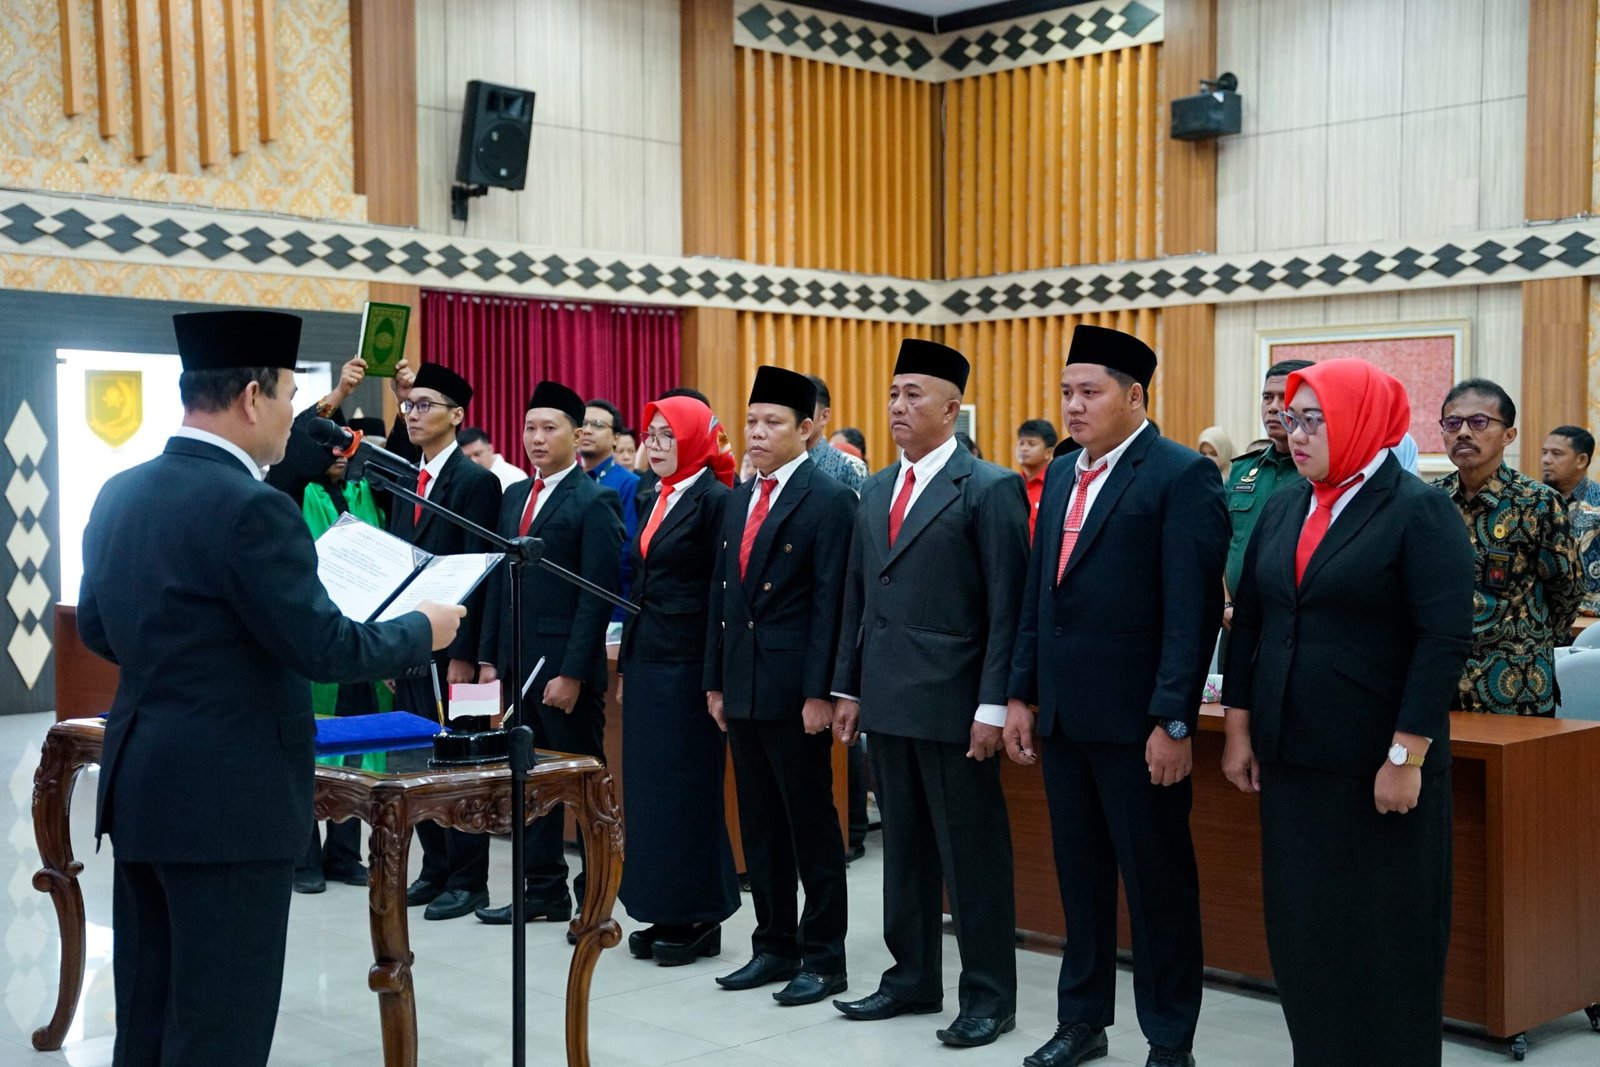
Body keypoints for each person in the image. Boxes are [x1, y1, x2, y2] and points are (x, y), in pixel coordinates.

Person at [79, 309, 462, 1067]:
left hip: (143, 786)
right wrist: (423, 628)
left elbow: (97, 627)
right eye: (290, 394)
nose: (295, 413)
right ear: (253, 396)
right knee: (220, 1026)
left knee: (149, 1016)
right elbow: (326, 647)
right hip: (229, 801)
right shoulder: (253, 506)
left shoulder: (121, 490)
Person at [1221, 358, 1474, 1066]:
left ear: (1361, 421)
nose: (1296, 434)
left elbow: (1442, 639)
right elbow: (1252, 621)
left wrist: (1405, 754)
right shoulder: (1285, 505)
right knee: (1307, 936)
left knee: (1386, 942)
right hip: (1293, 760)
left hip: (1377, 764)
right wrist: (1240, 727)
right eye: (1291, 419)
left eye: (1315, 420)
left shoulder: (1417, 510)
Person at [1005, 325, 1227, 1067]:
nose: (1072, 406)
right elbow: (1040, 594)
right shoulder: (1064, 472)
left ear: (1134, 396)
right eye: (1066, 392)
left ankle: (1169, 1037)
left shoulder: (1179, 475)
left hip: (1139, 726)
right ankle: (1082, 1019)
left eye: (1089, 392)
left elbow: (1191, 611)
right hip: (1066, 718)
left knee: (1157, 884)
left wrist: (1173, 719)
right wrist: (1021, 694)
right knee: (1081, 879)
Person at [832, 339, 1029, 1050]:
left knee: (971, 857)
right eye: (893, 393)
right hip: (887, 697)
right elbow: (858, 596)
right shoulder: (877, 487)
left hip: (955, 703)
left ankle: (989, 996)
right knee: (905, 850)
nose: (898, 406)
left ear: (951, 408)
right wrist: (847, 685)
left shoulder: (988, 487)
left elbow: (1008, 606)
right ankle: (911, 976)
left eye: (913, 394)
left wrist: (993, 703)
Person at [706, 367, 856, 1005]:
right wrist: (715, 681)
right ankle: (773, 944)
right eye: (751, 421)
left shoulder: (829, 498)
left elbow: (832, 604)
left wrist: (821, 691)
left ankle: (823, 956)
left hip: (796, 691)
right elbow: (722, 597)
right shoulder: (738, 496)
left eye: (773, 422)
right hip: (742, 683)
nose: (758, 433)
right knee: (760, 823)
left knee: (810, 825)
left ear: (808, 428)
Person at [474, 381, 624, 928]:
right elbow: (498, 583)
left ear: (577, 435)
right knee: (527, 783)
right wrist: (490, 660)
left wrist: (572, 672)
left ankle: (594, 897)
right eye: (529, 428)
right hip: (517, 665)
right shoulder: (515, 495)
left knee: (582, 787)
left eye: (549, 428)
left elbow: (596, 595)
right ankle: (541, 891)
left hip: (564, 672)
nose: (536, 438)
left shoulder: (595, 500)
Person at [618, 395, 741, 966]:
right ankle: (663, 909)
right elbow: (639, 586)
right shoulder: (653, 495)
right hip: (649, 660)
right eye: (651, 434)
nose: (656, 445)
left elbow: (722, 594)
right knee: (650, 791)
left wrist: (716, 676)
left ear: (694, 438)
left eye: (669, 435)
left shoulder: (717, 500)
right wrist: (628, 664)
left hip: (690, 666)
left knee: (687, 788)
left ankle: (700, 915)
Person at [385, 360, 503, 919]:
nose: (412, 414)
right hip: (410, 640)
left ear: (457, 416)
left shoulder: (476, 482)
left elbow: (480, 573)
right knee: (416, 757)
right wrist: (391, 644)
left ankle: (469, 878)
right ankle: (434, 868)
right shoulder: (408, 478)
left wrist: (465, 655)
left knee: (461, 759)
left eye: (424, 405)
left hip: (457, 648)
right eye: (408, 405)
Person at [1433, 379, 1582, 715]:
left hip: (1517, 685)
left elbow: (1567, 591)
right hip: (1441, 682)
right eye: (1452, 423)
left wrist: (1529, 638)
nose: (1463, 432)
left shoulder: (1538, 503)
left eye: (1479, 422)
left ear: (1509, 435)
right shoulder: (1430, 502)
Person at [294, 423, 395, 895]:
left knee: (354, 749)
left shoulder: (361, 494)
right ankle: (303, 858)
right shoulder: (299, 494)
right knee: (311, 750)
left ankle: (343, 853)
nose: (339, 455)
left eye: (344, 449)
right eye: (329, 449)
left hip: (360, 637)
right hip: (314, 638)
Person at [1223, 360, 1313, 627]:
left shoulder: (1318, 474)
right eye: (1267, 397)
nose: (1273, 407)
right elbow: (1218, 542)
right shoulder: (1243, 470)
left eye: (1284, 398)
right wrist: (1225, 602)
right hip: (1235, 620)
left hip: (1292, 624)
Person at [581, 398, 641, 623]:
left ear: (616, 437)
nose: (587, 430)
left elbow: (627, 550)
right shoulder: (573, 480)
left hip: (613, 605)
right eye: (583, 424)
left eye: (597, 425)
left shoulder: (629, 484)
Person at [1541, 425, 1600, 615]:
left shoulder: (1598, 501)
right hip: (1540, 617)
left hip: (1591, 617)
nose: (1546, 460)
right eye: (1544, 452)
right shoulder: (1533, 501)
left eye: (1556, 453)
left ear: (1581, 460)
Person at [803, 373, 868, 492]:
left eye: (805, 409)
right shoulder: (778, 464)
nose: (797, 417)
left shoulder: (849, 468)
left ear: (824, 416)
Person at [1016, 418, 1059, 541]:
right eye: (1021, 443)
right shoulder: (1011, 484)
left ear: (1048, 452)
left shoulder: (1055, 486)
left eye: (1031, 444)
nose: (1024, 449)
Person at [457, 425, 529, 490]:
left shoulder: (515, 476)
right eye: (467, 457)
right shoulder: (458, 478)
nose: (473, 461)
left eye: (477, 454)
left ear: (490, 449)